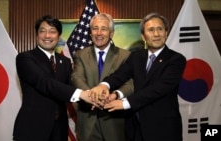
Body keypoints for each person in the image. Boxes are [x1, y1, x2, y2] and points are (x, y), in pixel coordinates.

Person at [90, 12, 186, 141]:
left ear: (166, 33)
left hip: (163, 130)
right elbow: (120, 75)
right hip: (135, 129)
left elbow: (158, 89)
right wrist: (104, 85)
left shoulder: (176, 59)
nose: (156, 34)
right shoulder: (137, 56)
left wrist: (125, 103)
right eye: (151, 30)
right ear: (143, 36)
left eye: (160, 29)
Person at [13, 15, 92, 141]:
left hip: (59, 130)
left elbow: (69, 88)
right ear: (37, 35)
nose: (47, 36)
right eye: (42, 31)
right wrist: (82, 94)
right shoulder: (25, 58)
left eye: (52, 31)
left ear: (58, 36)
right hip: (32, 128)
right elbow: (45, 83)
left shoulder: (65, 62)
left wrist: (92, 100)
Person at [71, 13, 134, 141]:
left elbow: (130, 83)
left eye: (104, 29)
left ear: (111, 33)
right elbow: (76, 77)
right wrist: (91, 96)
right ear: (90, 33)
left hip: (115, 122)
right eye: (95, 28)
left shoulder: (125, 55)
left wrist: (115, 94)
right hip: (88, 121)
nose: (99, 33)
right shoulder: (80, 55)